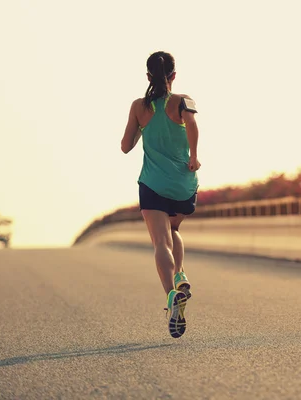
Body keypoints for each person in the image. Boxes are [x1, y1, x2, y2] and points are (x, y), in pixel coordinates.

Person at [120, 51, 200, 339]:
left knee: (159, 241)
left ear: (148, 77)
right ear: (173, 76)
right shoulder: (183, 100)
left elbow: (126, 146)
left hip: (152, 183)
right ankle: (180, 274)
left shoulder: (139, 106)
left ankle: (171, 296)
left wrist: (144, 125)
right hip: (182, 182)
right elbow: (191, 124)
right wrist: (194, 157)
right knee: (174, 228)